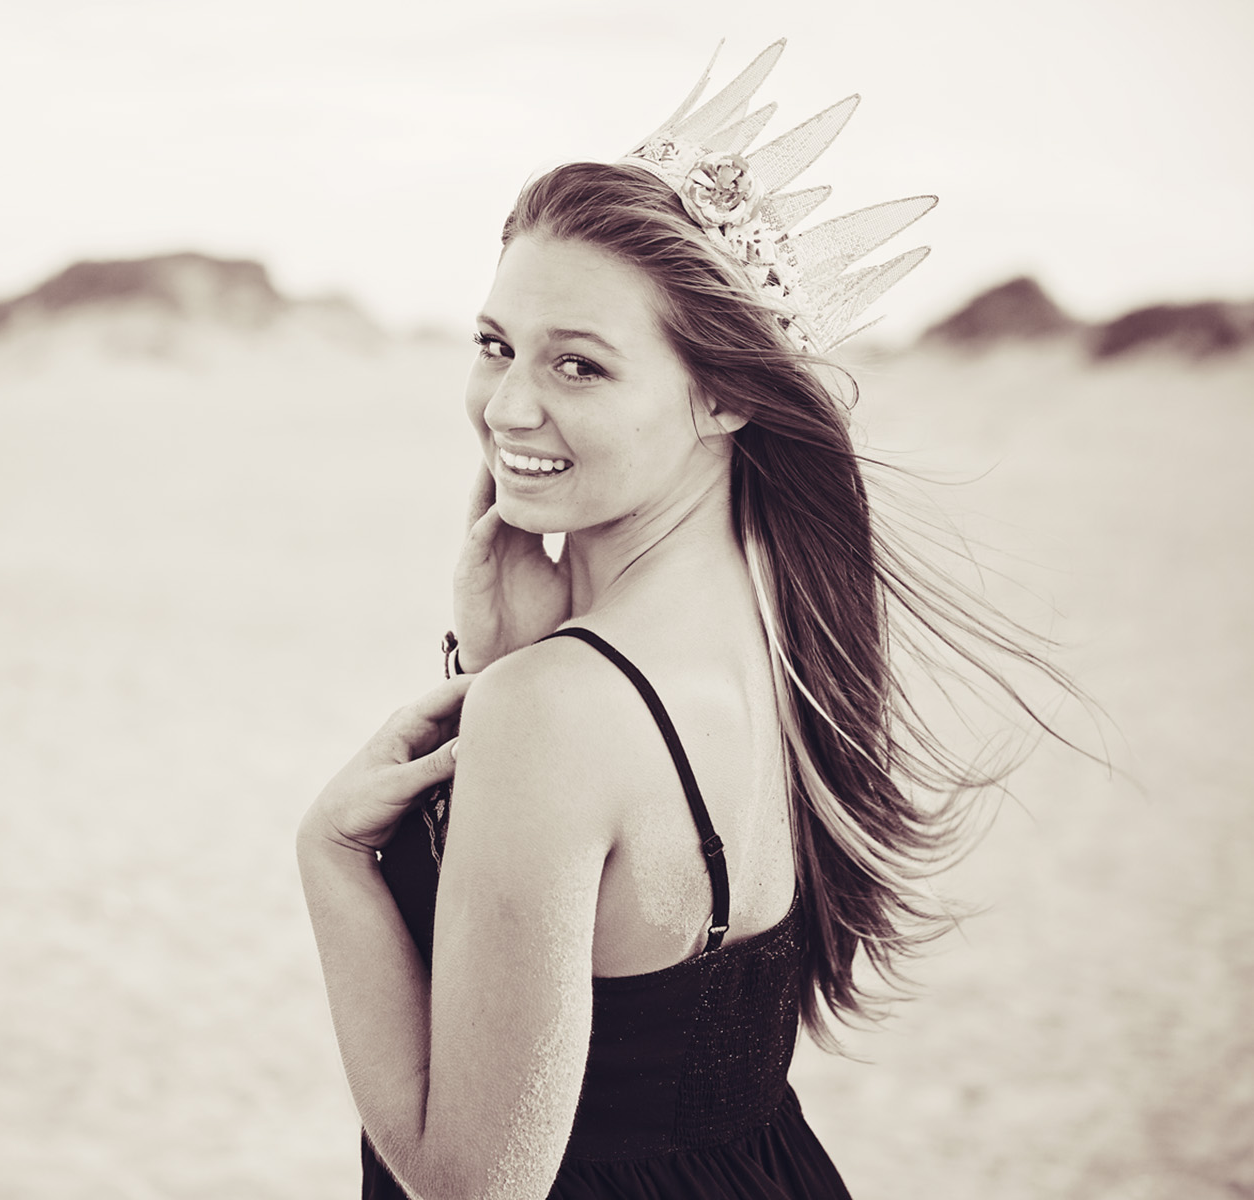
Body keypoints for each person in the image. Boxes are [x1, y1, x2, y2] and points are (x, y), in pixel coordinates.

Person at [298, 40, 1072, 1200]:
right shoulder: (791, 647)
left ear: (724, 393)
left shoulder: (562, 711)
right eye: (495, 347)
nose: (509, 405)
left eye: (580, 367)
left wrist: (333, 860)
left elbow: (470, 1184)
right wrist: (502, 661)